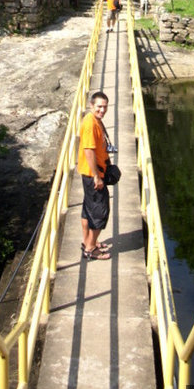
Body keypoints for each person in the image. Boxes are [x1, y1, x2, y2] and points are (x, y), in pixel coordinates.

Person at [77, 91, 112, 261]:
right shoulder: (90, 124)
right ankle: (90, 249)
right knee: (100, 212)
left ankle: (89, 241)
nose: (102, 110)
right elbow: (88, 150)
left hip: (91, 173)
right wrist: (97, 177)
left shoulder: (94, 120)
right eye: (99, 107)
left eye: (105, 107)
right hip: (93, 175)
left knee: (88, 209)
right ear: (91, 105)